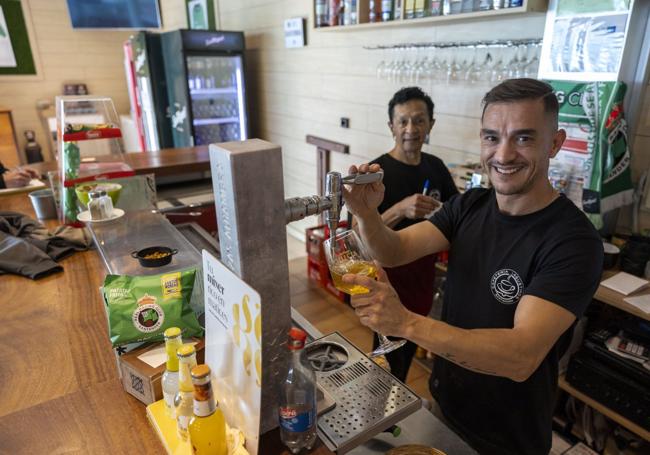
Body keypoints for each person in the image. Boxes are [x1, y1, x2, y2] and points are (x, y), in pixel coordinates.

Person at [342, 79, 603, 455]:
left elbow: (520, 355)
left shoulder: (573, 242)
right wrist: (367, 214)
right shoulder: (469, 206)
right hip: (446, 404)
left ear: (555, 143)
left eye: (524, 138)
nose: (504, 154)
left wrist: (406, 323)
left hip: (509, 436)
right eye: (492, 137)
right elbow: (394, 250)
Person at [355, 86, 458, 382]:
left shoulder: (435, 167)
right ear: (391, 127)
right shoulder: (376, 173)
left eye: (419, 120)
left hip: (422, 280)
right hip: (387, 281)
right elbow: (355, 236)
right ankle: (381, 420)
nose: (411, 129)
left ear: (431, 125)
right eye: (403, 121)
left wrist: (440, 210)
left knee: (408, 350)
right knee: (387, 361)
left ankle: (393, 415)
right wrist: (399, 209)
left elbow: (456, 212)